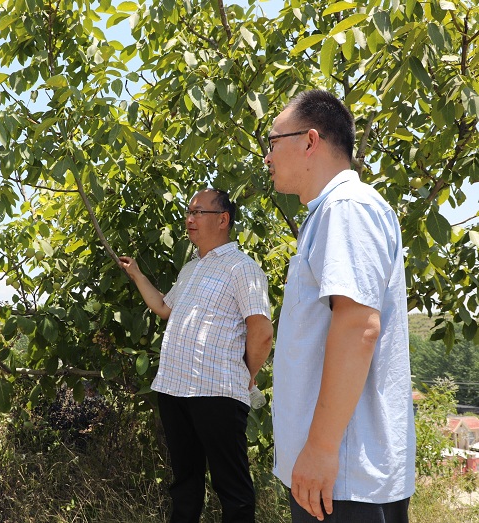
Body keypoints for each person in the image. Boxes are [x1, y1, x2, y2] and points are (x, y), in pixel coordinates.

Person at [266, 90, 416, 523]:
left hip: (346, 480)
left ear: (310, 141)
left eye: (273, 142)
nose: (267, 157)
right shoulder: (329, 212)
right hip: (335, 479)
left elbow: (357, 327)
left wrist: (322, 447)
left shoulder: (348, 207)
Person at [119, 188, 273, 523]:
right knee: (185, 485)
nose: (189, 219)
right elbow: (163, 308)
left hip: (217, 392)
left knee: (232, 489)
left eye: (198, 212)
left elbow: (261, 333)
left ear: (222, 220)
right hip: (174, 389)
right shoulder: (191, 269)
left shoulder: (242, 268)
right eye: (188, 212)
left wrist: (245, 375)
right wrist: (137, 274)